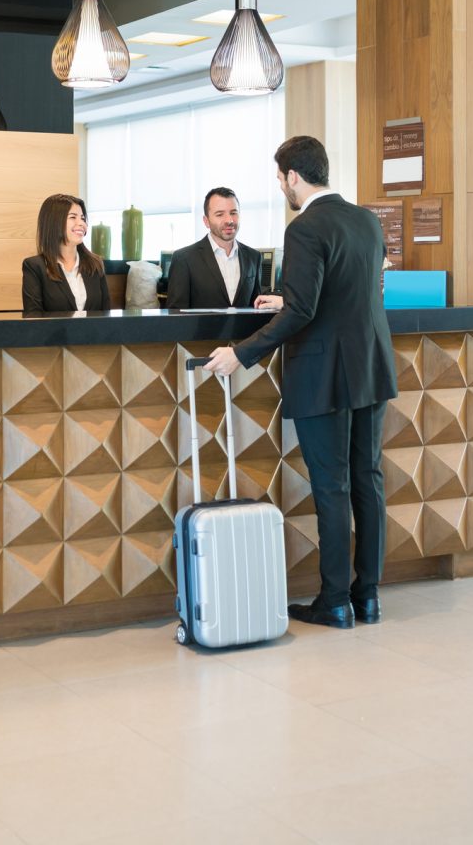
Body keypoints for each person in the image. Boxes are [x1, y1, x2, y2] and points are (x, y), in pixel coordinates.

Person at [205, 136, 397, 629]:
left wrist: (241, 353)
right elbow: (346, 293)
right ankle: (367, 597)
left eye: (280, 179)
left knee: (331, 489)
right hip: (370, 368)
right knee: (368, 482)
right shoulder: (367, 221)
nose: (281, 187)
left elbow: (307, 310)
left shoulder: (306, 227)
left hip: (324, 375)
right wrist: (287, 303)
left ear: (293, 176)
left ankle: (334, 601)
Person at [166, 187, 262, 309]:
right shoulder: (184, 259)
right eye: (220, 214)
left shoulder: (254, 257)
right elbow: (175, 316)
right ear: (206, 221)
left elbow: (256, 310)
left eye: (233, 213)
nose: (229, 220)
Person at [21, 194, 110, 313]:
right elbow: (34, 319)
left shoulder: (95, 264)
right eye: (73, 217)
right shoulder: (34, 267)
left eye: (83, 218)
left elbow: (106, 316)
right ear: (54, 222)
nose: (82, 223)